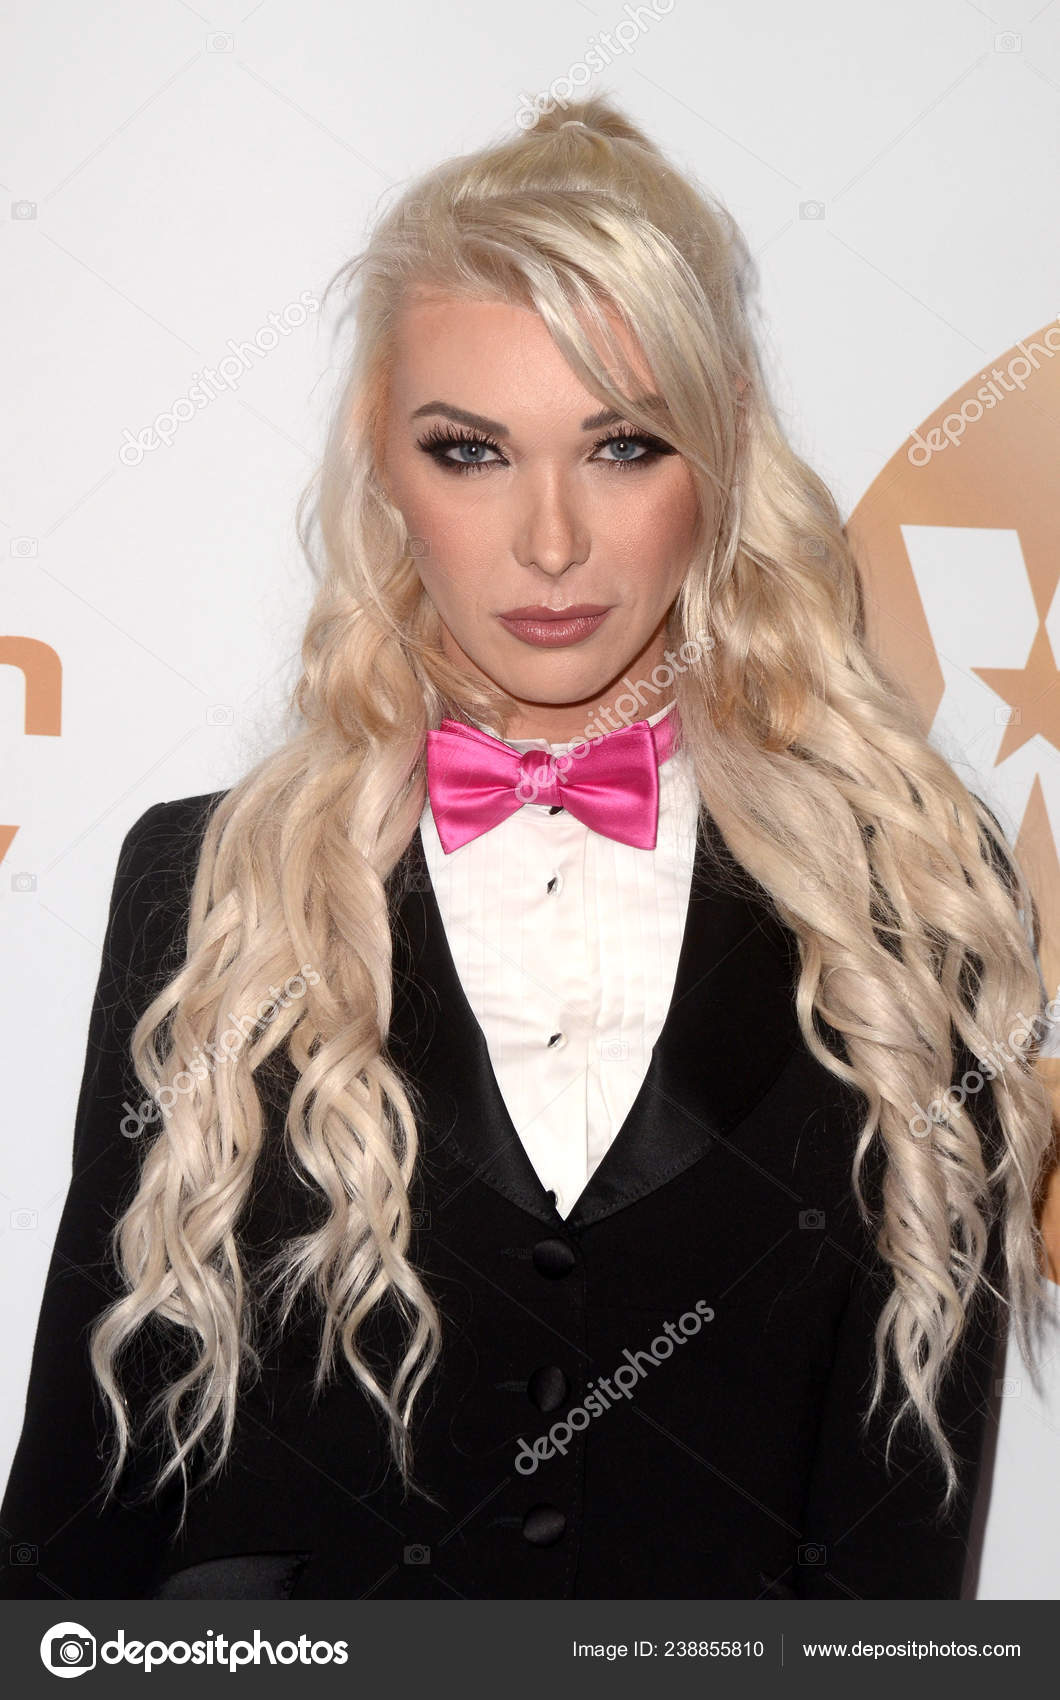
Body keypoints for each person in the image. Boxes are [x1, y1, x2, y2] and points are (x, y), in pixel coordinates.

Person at [1, 95, 1055, 1603]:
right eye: (471, 451)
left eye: (623, 446)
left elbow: (900, 1554)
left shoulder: (914, 898)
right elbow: (77, 1510)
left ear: (724, 452)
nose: (550, 542)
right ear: (382, 461)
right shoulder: (208, 889)